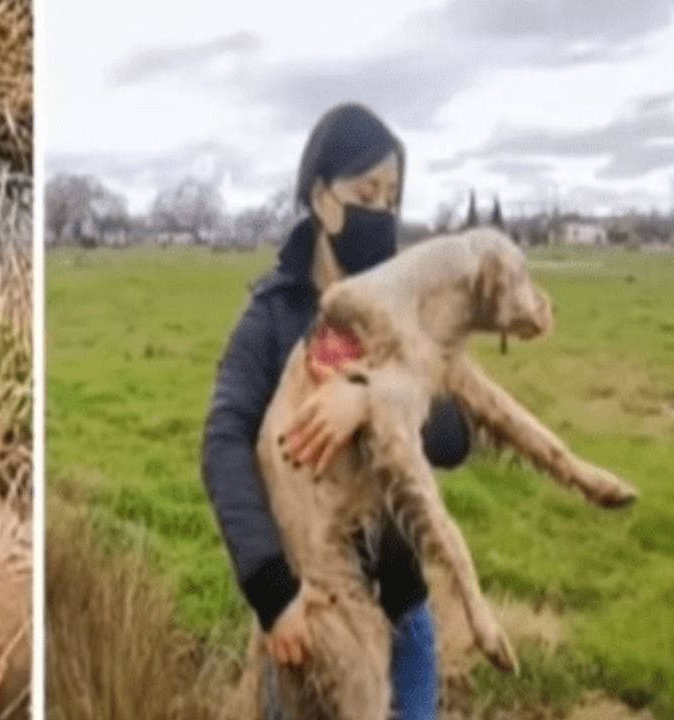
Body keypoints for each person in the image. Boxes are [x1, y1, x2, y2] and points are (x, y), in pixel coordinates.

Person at [200, 103, 471, 720]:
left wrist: (375, 400)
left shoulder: (407, 312)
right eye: (365, 192)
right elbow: (222, 445)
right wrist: (272, 593)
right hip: (307, 624)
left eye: (392, 197)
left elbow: (456, 436)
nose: (381, 212)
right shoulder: (270, 320)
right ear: (322, 199)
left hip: (402, 619)